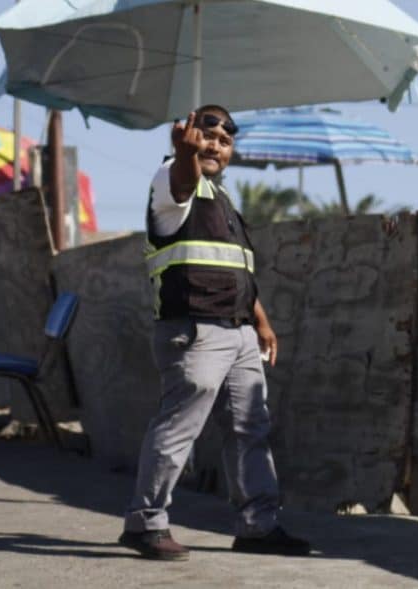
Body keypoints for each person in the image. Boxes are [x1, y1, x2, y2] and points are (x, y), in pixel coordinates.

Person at [118, 105, 311, 561]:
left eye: (224, 142)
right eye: (206, 137)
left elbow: (235, 270)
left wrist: (259, 321)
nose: (215, 147)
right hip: (195, 331)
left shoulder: (222, 201)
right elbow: (184, 179)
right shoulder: (171, 181)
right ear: (186, 139)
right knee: (179, 426)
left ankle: (257, 526)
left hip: (239, 332)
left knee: (250, 429)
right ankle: (145, 524)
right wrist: (183, 155)